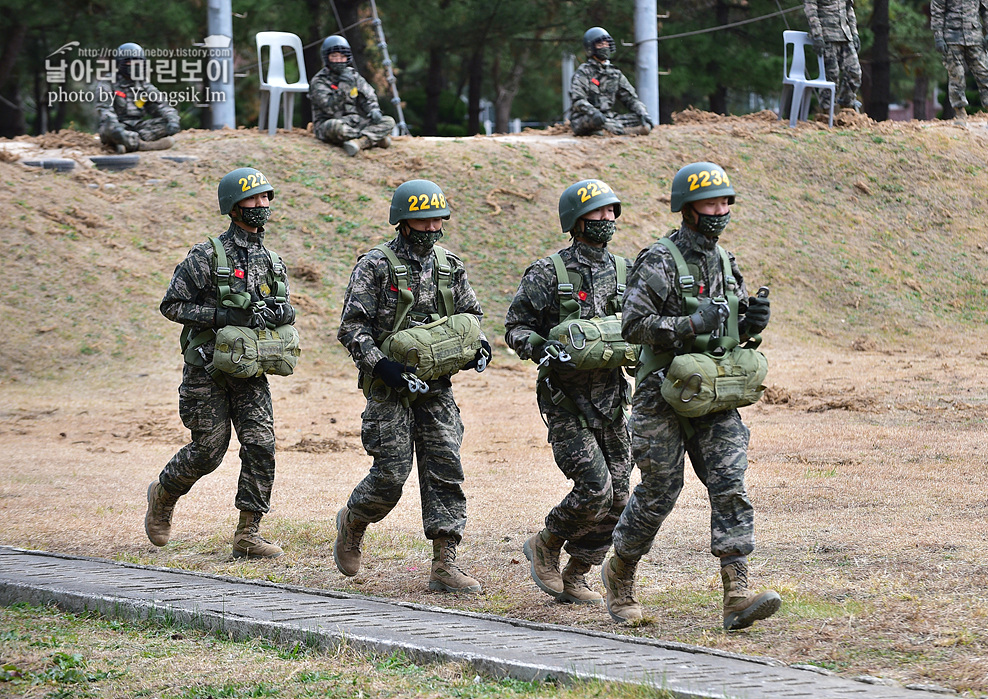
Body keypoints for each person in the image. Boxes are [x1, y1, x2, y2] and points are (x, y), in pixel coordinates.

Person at [602, 162, 781, 630]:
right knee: (661, 490)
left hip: (711, 393)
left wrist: (751, 322)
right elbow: (633, 326)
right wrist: (689, 325)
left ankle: (737, 591)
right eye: (710, 203)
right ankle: (619, 573)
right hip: (661, 396)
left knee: (729, 483)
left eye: (725, 202)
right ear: (688, 209)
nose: (720, 211)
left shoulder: (725, 261)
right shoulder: (658, 260)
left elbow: (732, 328)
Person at [334, 179, 489, 593]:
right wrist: (381, 366)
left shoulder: (450, 266)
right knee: (390, 474)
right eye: (423, 221)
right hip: (389, 389)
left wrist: (480, 348)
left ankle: (445, 562)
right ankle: (354, 521)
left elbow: (471, 316)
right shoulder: (375, 265)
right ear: (403, 223)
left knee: (446, 470)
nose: (433, 228)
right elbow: (352, 327)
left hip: (436, 388)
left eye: (439, 220)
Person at [147, 167, 297, 559]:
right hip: (207, 370)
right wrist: (222, 317)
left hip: (250, 371)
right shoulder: (206, 255)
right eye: (253, 199)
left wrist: (279, 314)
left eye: (266, 198)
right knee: (209, 451)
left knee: (261, 445)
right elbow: (172, 305)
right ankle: (163, 495)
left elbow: (286, 308)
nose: (262, 205)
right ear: (233, 207)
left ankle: (248, 533)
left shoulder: (272, 260)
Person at [505, 180, 633, 605]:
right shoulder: (548, 272)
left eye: (612, 212)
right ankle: (547, 541)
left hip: (612, 399)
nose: (607, 220)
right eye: (598, 213)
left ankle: (578, 571)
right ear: (576, 221)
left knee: (619, 494)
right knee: (594, 487)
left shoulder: (624, 271)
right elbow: (516, 327)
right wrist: (539, 346)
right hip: (566, 402)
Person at [309, 35, 396, 156]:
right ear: (327, 57)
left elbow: (368, 95)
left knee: (388, 121)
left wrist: (374, 109)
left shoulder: (353, 76)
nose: (339, 60)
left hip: (354, 121)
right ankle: (374, 138)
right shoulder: (319, 81)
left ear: (347, 57)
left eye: (342, 56)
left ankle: (360, 142)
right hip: (331, 123)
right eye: (334, 56)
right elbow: (329, 109)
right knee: (335, 127)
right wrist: (344, 85)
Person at [95, 42, 181, 153]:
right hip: (117, 126)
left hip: (139, 127)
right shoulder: (108, 82)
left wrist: (172, 120)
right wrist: (116, 127)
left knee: (165, 122)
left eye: (138, 61)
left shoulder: (144, 84)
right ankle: (142, 145)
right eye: (129, 62)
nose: (135, 65)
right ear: (120, 63)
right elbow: (104, 109)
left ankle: (128, 144)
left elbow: (162, 105)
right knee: (110, 129)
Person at [569, 27, 654, 137]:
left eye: (606, 44)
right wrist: (594, 113)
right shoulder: (584, 72)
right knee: (596, 121)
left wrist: (643, 113)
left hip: (609, 117)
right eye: (600, 45)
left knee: (639, 118)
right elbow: (578, 100)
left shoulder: (615, 73)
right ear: (591, 48)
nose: (604, 47)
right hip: (587, 118)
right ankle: (621, 131)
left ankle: (612, 130)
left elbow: (631, 99)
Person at [931, 0, 988, 124]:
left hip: (974, 36)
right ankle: (960, 113)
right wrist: (938, 37)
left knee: (984, 73)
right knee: (956, 75)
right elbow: (937, 11)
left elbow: (987, 10)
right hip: (952, 36)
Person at [803, 0, 863, 112]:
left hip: (845, 36)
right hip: (827, 36)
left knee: (855, 72)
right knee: (831, 76)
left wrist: (854, 33)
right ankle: (827, 112)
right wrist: (817, 34)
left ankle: (846, 107)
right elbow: (810, 9)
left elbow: (849, 8)